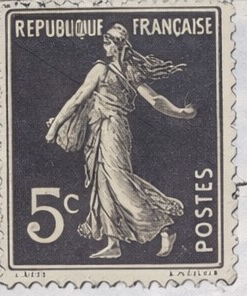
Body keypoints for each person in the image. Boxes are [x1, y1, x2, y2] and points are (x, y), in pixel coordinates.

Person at [44, 23, 195, 260]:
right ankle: (113, 242)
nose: (104, 45)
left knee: (118, 180)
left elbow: (77, 100)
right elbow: (154, 100)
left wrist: (54, 128)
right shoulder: (121, 70)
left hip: (112, 130)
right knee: (103, 183)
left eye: (108, 41)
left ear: (117, 45)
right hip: (100, 130)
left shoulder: (105, 70)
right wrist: (181, 113)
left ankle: (164, 225)